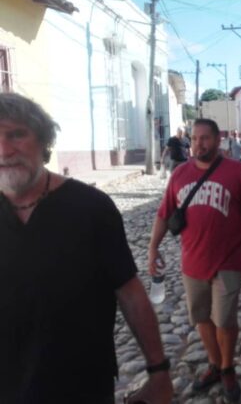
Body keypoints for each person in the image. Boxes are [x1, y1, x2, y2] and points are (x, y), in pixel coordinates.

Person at [0, 92, 173, 404]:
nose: (4, 150)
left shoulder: (91, 208)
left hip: (81, 386)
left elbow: (130, 292)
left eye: (16, 135)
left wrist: (159, 371)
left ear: (43, 142)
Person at [148, 118, 241, 403]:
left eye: (206, 138)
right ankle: (214, 363)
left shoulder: (236, 172)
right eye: (195, 138)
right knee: (200, 316)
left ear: (218, 140)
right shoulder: (179, 175)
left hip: (230, 259)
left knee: (224, 318)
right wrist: (153, 248)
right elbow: (164, 214)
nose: (200, 143)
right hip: (193, 261)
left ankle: (227, 368)